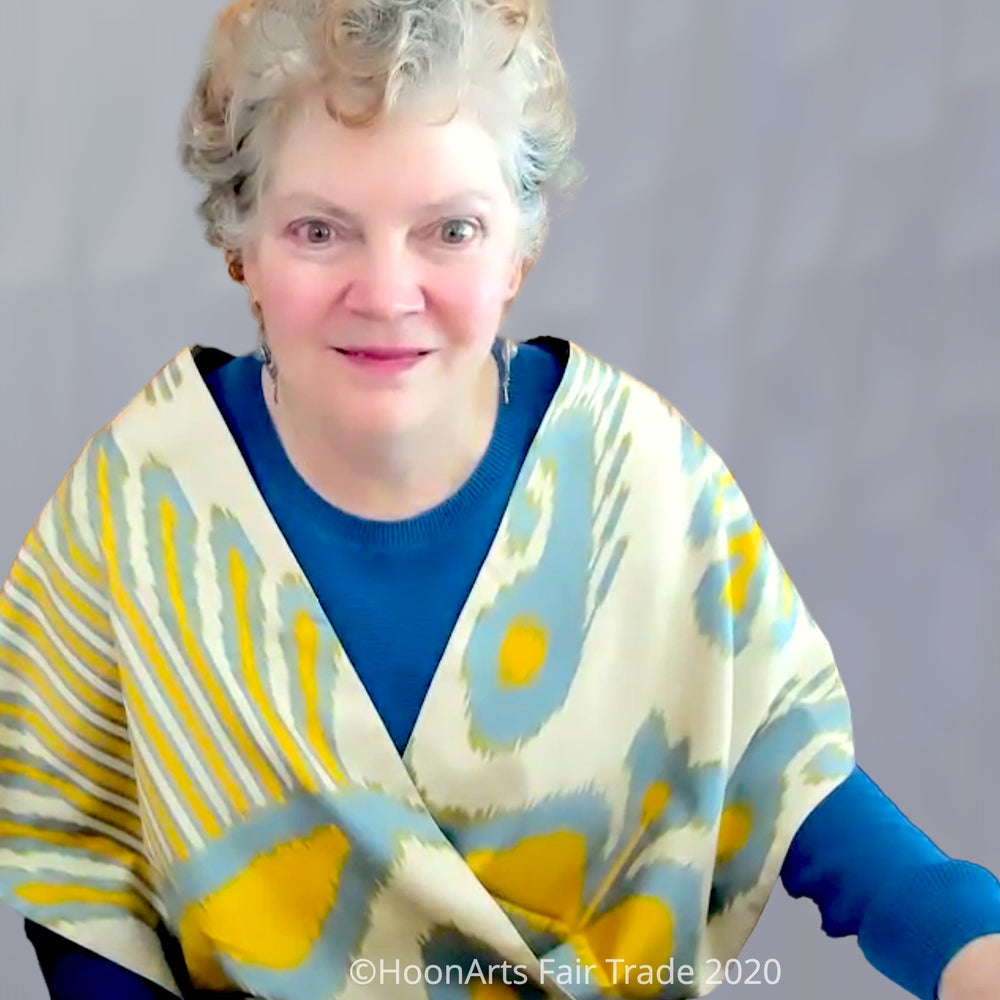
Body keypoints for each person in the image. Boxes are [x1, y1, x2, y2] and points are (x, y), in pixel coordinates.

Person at [1, 1, 998, 998]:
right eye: (318, 230)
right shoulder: (131, 508)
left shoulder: (634, 479)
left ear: (518, 248)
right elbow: (83, 874)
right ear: (241, 245)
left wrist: (967, 948)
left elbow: (789, 774)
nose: (386, 292)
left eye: (450, 230)